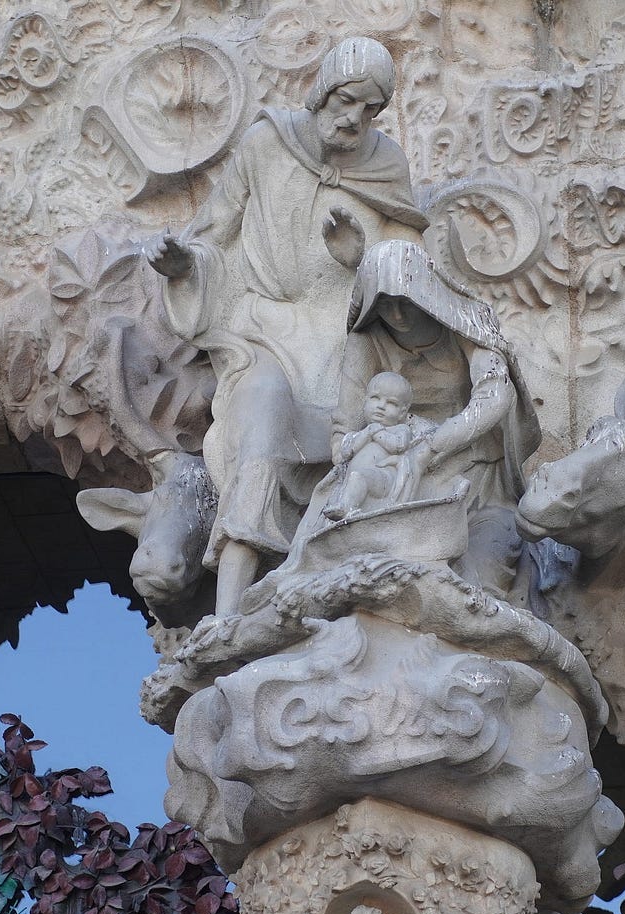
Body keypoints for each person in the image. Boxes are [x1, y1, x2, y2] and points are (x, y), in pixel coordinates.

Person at [146, 36, 428, 616]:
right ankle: (229, 609)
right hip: (264, 330)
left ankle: (328, 595)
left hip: (341, 334)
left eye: (370, 109)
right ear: (323, 88)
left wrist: (360, 256)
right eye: (347, 100)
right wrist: (183, 267)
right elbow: (214, 233)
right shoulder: (266, 141)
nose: (353, 119)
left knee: (354, 443)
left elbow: (408, 268)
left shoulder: (385, 166)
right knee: (263, 428)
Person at [334, 240, 541, 596]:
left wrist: (429, 447)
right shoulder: (365, 341)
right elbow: (343, 428)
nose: (397, 316)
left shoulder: (467, 323)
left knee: (477, 572)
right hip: (387, 468)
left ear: (426, 292)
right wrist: (358, 452)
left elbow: (496, 395)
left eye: (405, 301)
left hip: (469, 469)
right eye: (384, 304)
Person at [322, 371, 436, 521]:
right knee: (354, 479)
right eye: (375, 398)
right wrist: (368, 432)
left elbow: (399, 446)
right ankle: (345, 507)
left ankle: (347, 508)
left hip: (384, 478)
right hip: (355, 479)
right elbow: (346, 452)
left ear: (402, 412)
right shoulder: (359, 434)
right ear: (365, 401)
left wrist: (377, 432)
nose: (381, 406)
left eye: (391, 403)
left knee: (360, 476)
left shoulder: (400, 429)